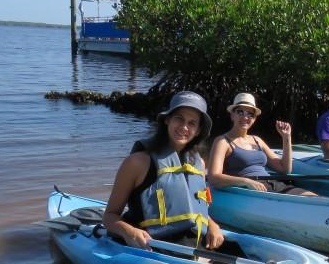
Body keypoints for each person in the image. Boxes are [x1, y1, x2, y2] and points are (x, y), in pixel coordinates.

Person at [103, 91, 225, 251]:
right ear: (167, 119)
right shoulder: (137, 162)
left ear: (198, 130)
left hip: (189, 243)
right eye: (179, 119)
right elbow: (109, 216)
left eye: (192, 123)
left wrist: (213, 225)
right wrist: (129, 231)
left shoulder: (199, 163)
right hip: (150, 245)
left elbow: (193, 207)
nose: (184, 127)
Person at [208, 93, 315, 196]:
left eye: (250, 114)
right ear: (232, 115)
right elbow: (213, 177)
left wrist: (286, 137)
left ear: (254, 119)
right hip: (249, 191)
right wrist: (246, 181)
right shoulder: (222, 141)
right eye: (240, 112)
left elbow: (284, 169)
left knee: (317, 199)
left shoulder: (257, 140)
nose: (245, 117)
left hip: (272, 184)